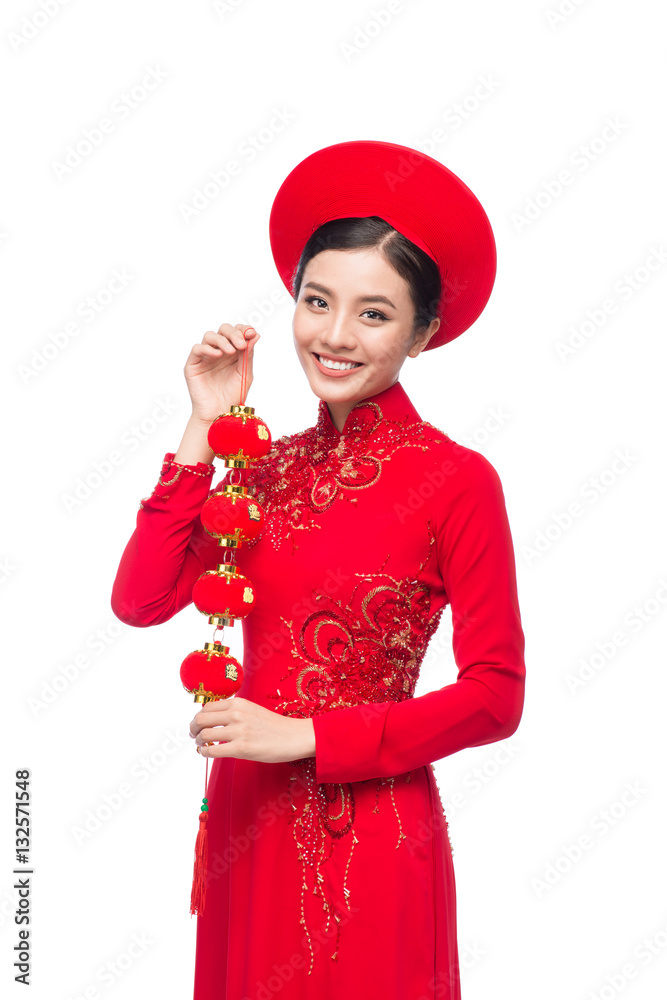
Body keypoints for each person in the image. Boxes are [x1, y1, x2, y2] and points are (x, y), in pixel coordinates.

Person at [111, 140, 526, 1000]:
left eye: (373, 314)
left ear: (424, 332)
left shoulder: (456, 481)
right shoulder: (262, 467)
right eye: (316, 301)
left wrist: (306, 737)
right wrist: (203, 423)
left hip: (368, 833)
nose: (334, 337)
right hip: (242, 821)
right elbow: (141, 599)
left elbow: (496, 695)